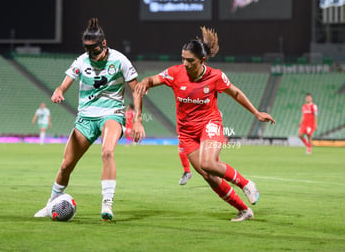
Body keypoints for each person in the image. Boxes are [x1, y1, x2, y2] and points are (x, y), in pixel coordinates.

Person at [133, 26, 275, 221]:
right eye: (183, 58)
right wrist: (144, 84)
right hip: (186, 133)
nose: (185, 63)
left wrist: (256, 112)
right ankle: (244, 210)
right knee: (208, 175)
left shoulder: (215, 76)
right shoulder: (175, 73)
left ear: (203, 60)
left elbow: (235, 92)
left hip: (210, 124)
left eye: (190, 60)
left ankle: (246, 183)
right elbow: (151, 79)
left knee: (208, 163)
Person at [34, 18, 140, 221]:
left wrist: (137, 120)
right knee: (66, 165)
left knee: (107, 151)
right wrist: (58, 91)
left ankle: (107, 202)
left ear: (104, 44)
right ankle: (51, 203)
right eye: (88, 51)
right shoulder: (82, 61)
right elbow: (63, 85)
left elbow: (137, 91)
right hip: (86, 117)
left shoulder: (120, 60)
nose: (92, 55)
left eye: (95, 51)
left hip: (112, 114)